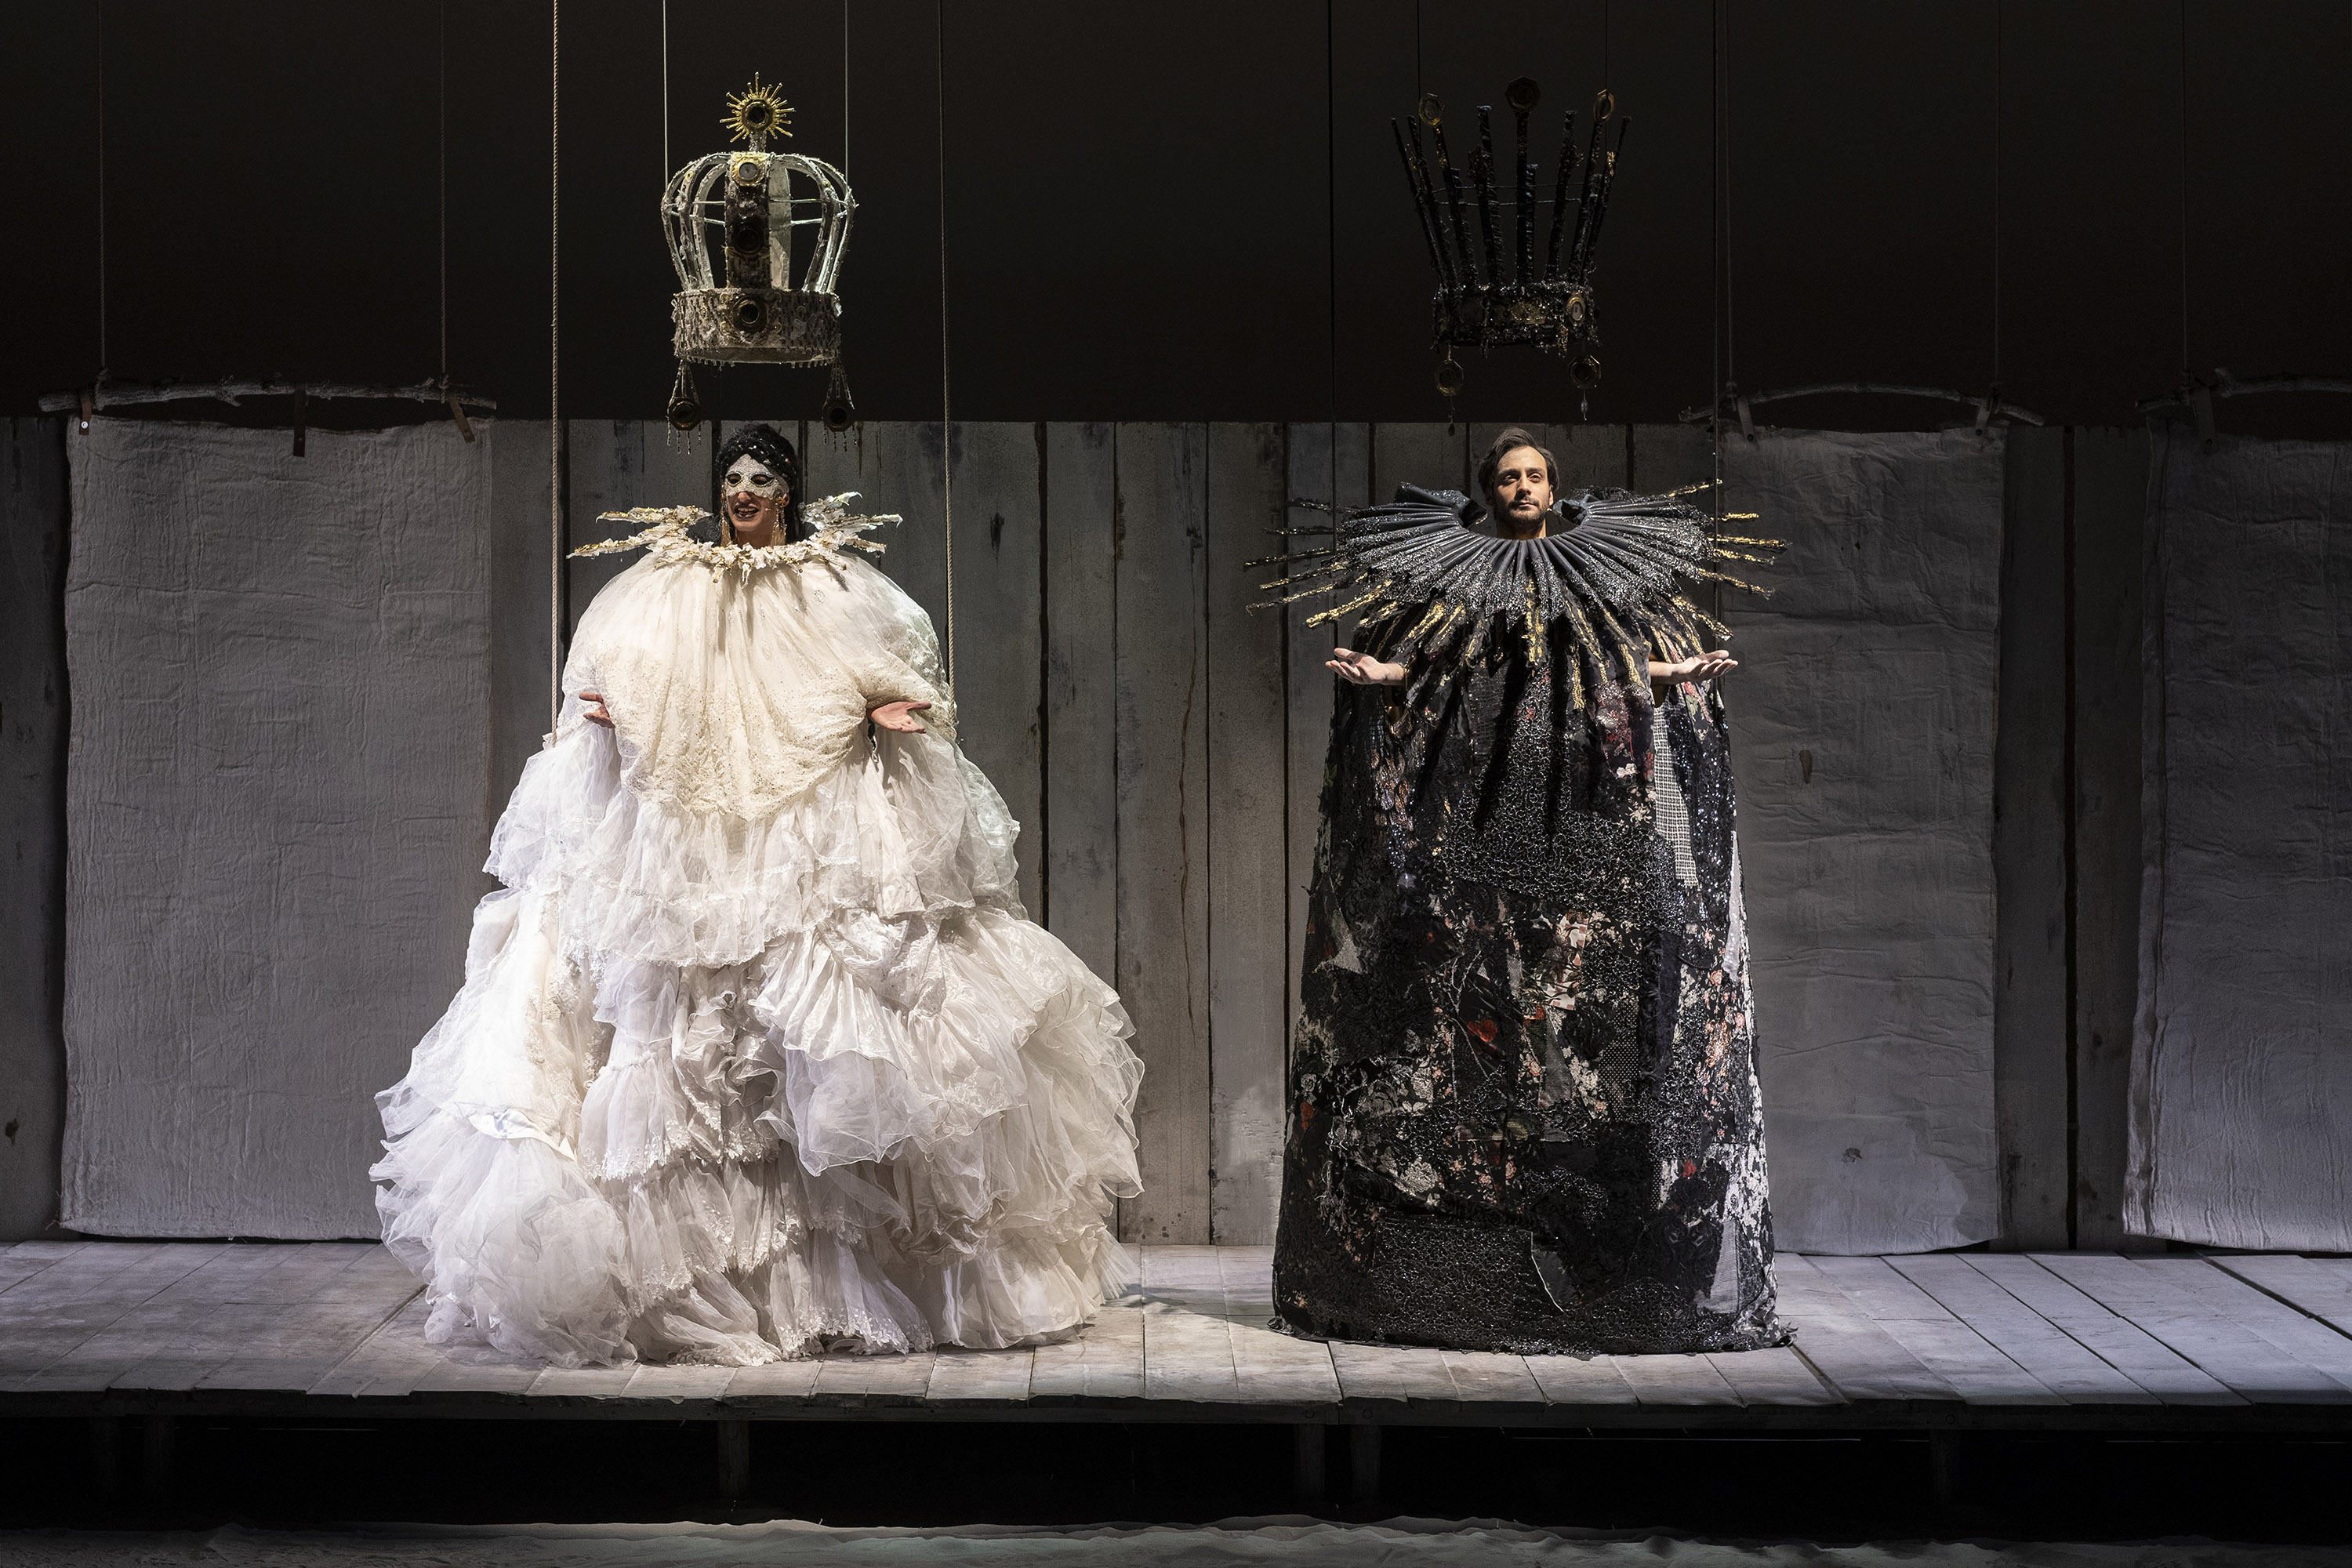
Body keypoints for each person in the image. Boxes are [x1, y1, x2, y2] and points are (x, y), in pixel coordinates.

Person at [372, 424, 1144, 1367]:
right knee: (682, 1039)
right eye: (733, 475)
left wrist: (882, 705)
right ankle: (697, 1282)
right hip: (685, 852)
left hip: (811, 842)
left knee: (819, 1036)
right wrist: (614, 713)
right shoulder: (668, 588)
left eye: (762, 477)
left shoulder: (834, 586)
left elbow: (870, 664)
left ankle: (843, 1282)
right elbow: (634, 669)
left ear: (789, 491)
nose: (743, 490)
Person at [1269, 426, 1785, 1355]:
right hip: (1483, 814)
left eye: (1536, 475)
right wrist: (1383, 674)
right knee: (1483, 1003)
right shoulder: (1463, 589)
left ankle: (1590, 1238)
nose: (1523, 488)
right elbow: (1442, 672)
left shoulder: (1588, 581)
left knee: (1577, 1008)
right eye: (1508, 476)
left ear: (1554, 485)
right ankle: (1476, 1239)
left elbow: (1614, 665)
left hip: (1583, 814)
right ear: (1489, 488)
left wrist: (1676, 675)